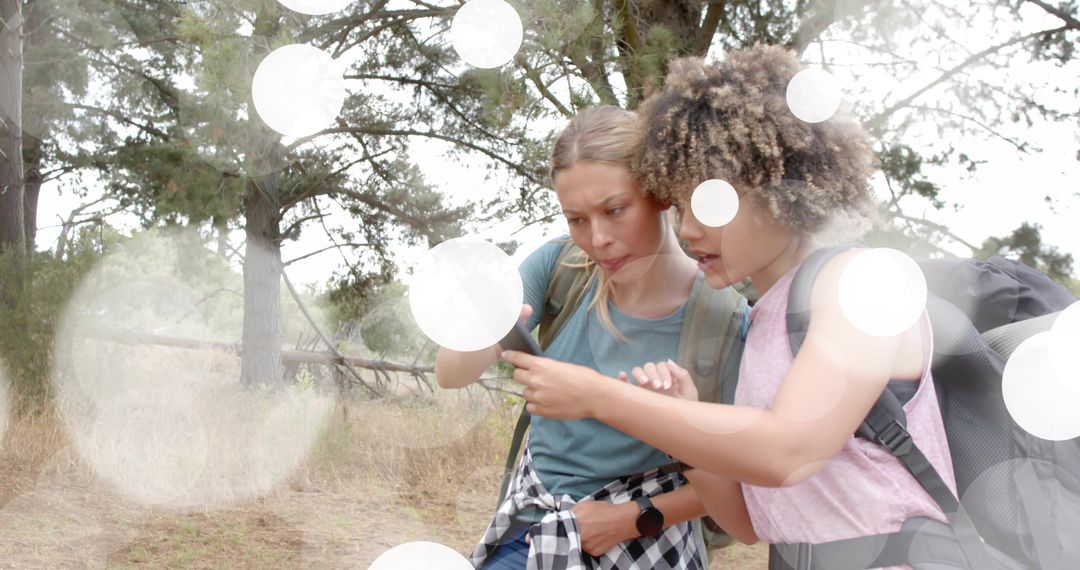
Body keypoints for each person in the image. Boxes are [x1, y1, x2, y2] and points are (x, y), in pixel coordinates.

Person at [502, 45, 955, 570]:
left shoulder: (860, 281)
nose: (689, 229)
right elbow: (746, 523)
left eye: (710, 205)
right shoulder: (766, 319)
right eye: (682, 204)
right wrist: (687, 418)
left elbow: (789, 453)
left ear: (778, 184)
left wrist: (600, 397)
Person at [435, 105, 745, 569]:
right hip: (533, 530)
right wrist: (487, 326)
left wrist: (628, 519)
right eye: (576, 219)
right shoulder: (561, 267)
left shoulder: (724, 319)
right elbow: (450, 375)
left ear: (660, 194)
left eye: (615, 210)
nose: (597, 238)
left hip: (649, 543)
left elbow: (741, 484)